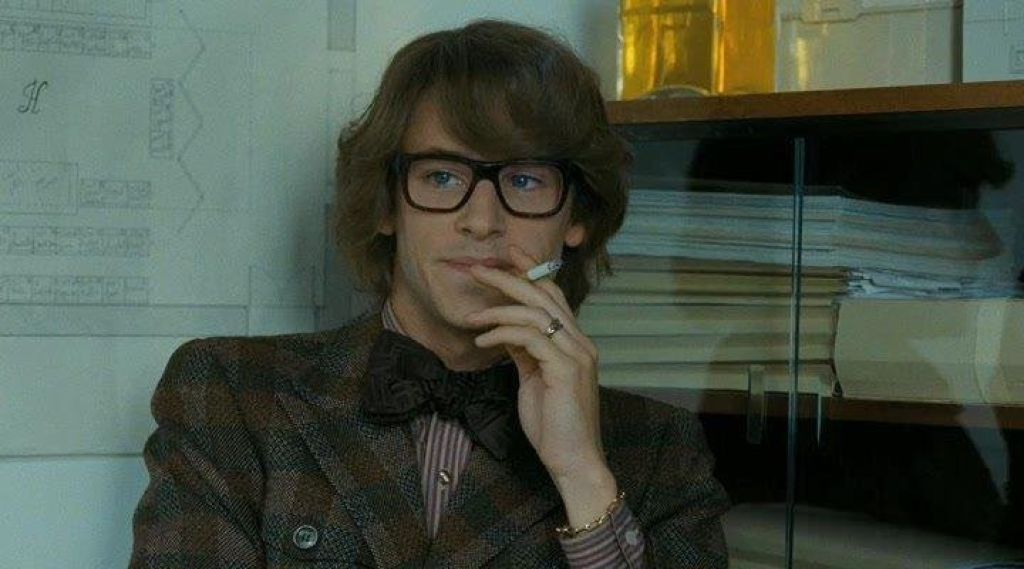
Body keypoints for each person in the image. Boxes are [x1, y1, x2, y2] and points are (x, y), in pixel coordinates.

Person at [130, 19, 729, 568]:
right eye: (442, 176)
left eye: (524, 180)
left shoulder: (661, 450)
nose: (482, 221)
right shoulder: (231, 394)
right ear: (387, 204)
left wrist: (582, 474)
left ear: (577, 216)